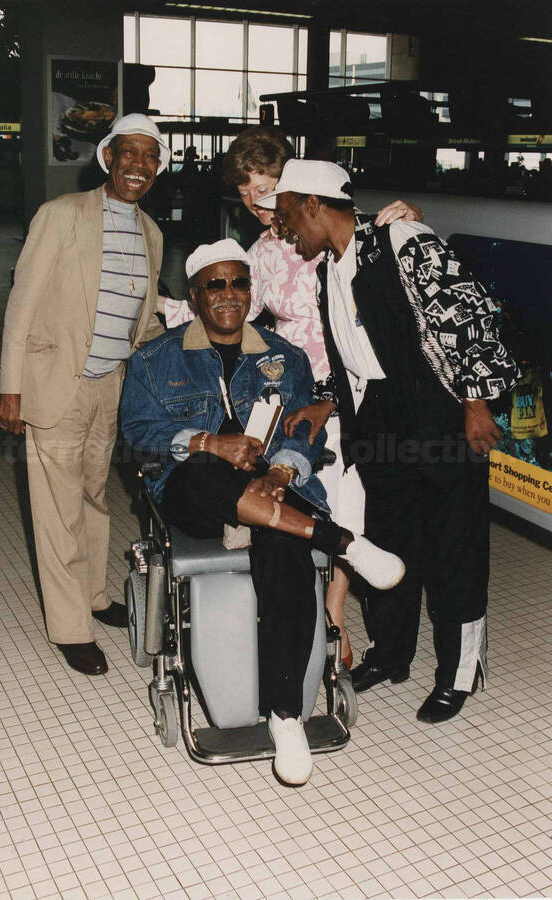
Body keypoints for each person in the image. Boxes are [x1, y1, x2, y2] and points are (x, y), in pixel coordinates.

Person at [120, 238, 404, 785]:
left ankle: (286, 717)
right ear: (196, 295)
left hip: (270, 495)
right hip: (193, 488)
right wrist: (206, 442)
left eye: (239, 283)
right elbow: (137, 436)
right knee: (205, 474)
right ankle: (341, 541)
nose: (229, 294)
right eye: (215, 284)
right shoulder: (155, 360)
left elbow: (303, 428)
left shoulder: (285, 356)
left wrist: (280, 471)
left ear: (252, 291)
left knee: (286, 551)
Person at [256, 159, 520, 723]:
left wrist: (475, 402)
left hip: (437, 408)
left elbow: (471, 321)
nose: (282, 230)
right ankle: (392, 652)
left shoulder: (403, 239)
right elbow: (354, 350)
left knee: (455, 542)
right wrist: (328, 396)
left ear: (312, 205)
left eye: (285, 218)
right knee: (390, 534)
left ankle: (460, 672)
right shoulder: (330, 263)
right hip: (377, 415)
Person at [162, 126, 422, 669]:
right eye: (247, 194)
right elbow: (230, 302)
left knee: (353, 493)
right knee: (300, 481)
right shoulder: (258, 251)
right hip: (291, 382)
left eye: (267, 188)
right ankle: (312, 605)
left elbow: (380, 247)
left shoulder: (326, 225)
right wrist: (165, 310)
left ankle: (336, 615)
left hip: (351, 379)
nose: (259, 204)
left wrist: (405, 216)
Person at [0, 114, 170, 677]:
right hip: (55, 382)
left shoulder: (153, 235)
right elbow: (21, 305)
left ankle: (95, 594)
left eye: (150, 156)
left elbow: (141, 327)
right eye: (129, 153)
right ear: (108, 158)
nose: (138, 165)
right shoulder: (61, 215)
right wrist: (10, 388)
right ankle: (71, 627)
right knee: (56, 509)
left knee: (95, 498)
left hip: (109, 388)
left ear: (158, 167)